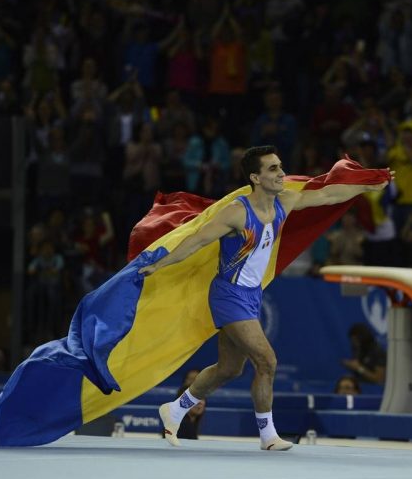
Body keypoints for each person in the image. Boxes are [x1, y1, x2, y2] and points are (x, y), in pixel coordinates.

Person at [139, 145, 392, 451]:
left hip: (252, 295)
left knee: (229, 369)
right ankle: (267, 435)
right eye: (273, 169)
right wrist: (158, 264)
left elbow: (329, 195)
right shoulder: (236, 213)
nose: (282, 173)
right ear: (255, 178)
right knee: (267, 361)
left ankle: (176, 409)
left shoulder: (285, 201)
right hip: (228, 294)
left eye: (281, 166)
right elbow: (196, 241)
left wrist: (367, 184)